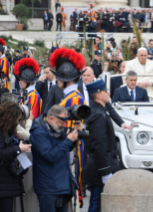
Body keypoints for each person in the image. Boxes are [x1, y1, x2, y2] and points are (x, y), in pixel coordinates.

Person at [49, 47, 87, 206]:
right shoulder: (72, 97)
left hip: (69, 151)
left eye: (58, 77)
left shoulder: (73, 99)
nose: (56, 80)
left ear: (65, 79)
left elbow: (69, 130)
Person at [30, 105, 80, 212]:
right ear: (51, 118)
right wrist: (68, 140)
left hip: (61, 185)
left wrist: (75, 134)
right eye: (62, 120)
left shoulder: (56, 127)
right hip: (48, 188)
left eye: (66, 120)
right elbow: (50, 155)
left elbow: (64, 149)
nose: (64, 124)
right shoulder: (38, 133)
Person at [83, 80, 119, 212]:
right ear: (98, 95)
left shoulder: (101, 111)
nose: (108, 93)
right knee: (96, 204)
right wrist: (105, 171)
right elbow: (99, 145)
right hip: (99, 168)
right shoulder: (98, 115)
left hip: (101, 165)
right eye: (105, 91)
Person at [0, 102, 32, 212]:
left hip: (6, 183)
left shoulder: (7, 131)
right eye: (17, 119)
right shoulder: (2, 132)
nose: (18, 122)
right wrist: (18, 149)